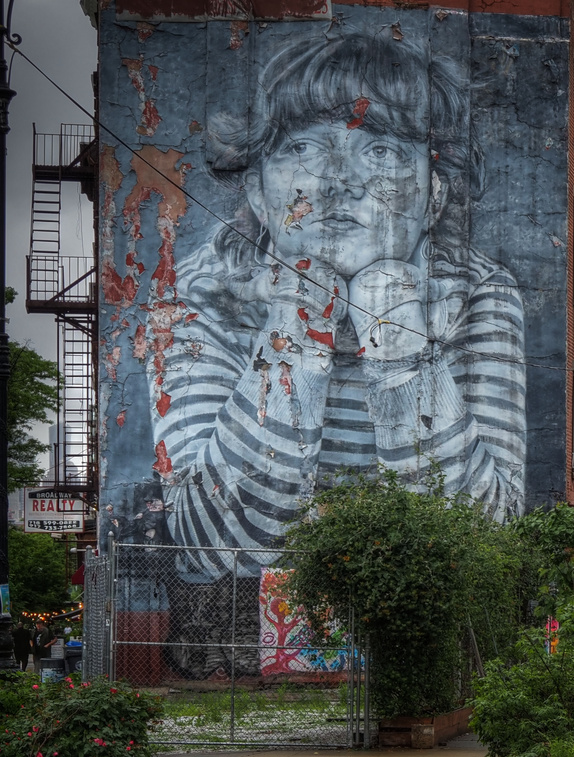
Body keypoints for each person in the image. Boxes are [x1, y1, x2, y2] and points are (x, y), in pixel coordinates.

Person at [148, 29, 528, 581]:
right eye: (301, 148)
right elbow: (211, 548)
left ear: (434, 194)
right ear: (257, 189)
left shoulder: (481, 294)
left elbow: (489, 541)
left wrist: (396, 337)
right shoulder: (199, 295)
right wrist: (296, 323)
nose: (336, 182)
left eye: (380, 150)